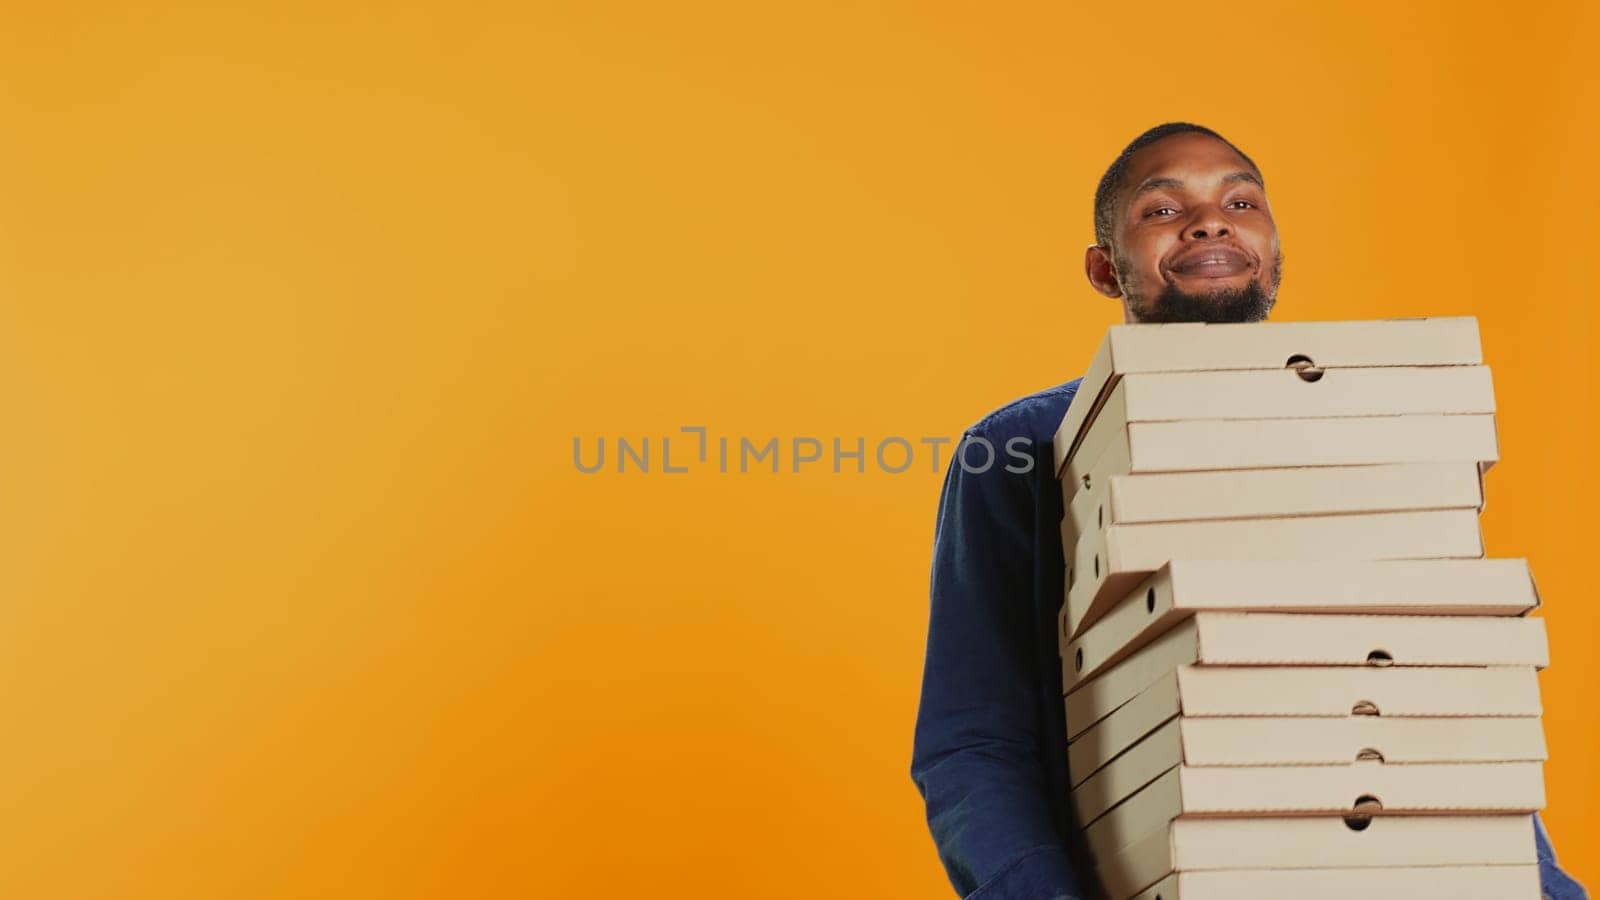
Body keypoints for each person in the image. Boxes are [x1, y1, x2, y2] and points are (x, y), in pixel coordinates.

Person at [909, 122, 1588, 899]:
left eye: (1241, 200)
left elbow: (1430, 681)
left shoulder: (1374, 423)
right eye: (1162, 210)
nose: (1210, 220)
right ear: (1105, 269)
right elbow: (973, 744)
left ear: (1273, 251)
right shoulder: (1022, 449)